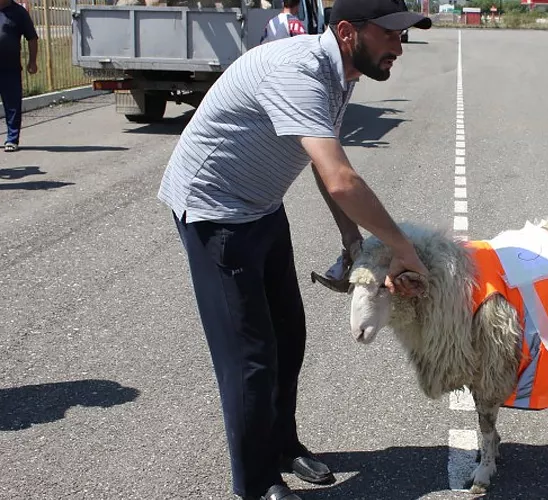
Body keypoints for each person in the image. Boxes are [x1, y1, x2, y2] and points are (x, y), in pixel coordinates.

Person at [155, 0, 432, 497]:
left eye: (403, 36)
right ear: (348, 32)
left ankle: (281, 444)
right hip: (214, 213)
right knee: (250, 358)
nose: (399, 47)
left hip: (260, 206)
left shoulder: (340, 73)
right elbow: (342, 180)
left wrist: (351, 239)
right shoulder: (299, 72)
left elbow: (328, 166)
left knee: (288, 337)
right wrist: (401, 246)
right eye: (389, 34)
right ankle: (256, 484)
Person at [0, 0, 38, 153]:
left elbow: (32, 38)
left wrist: (32, 61)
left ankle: (12, 139)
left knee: (12, 105)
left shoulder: (19, 12)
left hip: (10, 68)